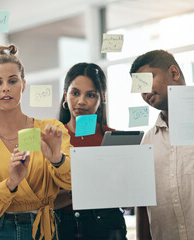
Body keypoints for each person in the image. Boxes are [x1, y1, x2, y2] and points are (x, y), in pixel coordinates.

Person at [0, 44, 71, 240]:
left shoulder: (50, 131)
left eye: (13, 81)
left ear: (23, 85)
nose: (5, 88)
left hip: (43, 229)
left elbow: (74, 180)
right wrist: (11, 182)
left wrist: (57, 159)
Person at [130, 50, 194, 240]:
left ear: (174, 73)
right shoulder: (147, 142)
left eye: (146, 80)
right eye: (139, 87)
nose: (144, 92)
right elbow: (142, 206)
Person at [54, 62, 127, 240]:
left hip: (110, 227)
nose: (81, 101)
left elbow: (128, 201)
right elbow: (48, 200)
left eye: (91, 95)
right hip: (67, 228)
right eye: (75, 93)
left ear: (102, 98)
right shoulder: (54, 138)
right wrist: (91, 187)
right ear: (65, 96)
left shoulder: (116, 139)